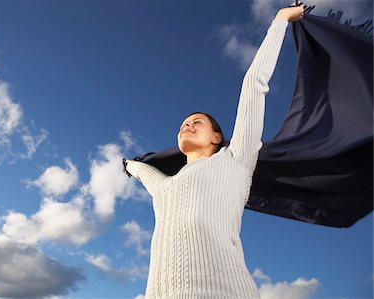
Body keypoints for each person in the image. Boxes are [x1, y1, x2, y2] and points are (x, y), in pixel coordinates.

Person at [123, 3, 305, 298]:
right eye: (183, 123)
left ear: (217, 137)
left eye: (197, 122)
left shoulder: (235, 161)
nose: (188, 126)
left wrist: (280, 20)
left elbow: (254, 85)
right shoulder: (167, 187)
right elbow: (145, 173)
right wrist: (129, 165)